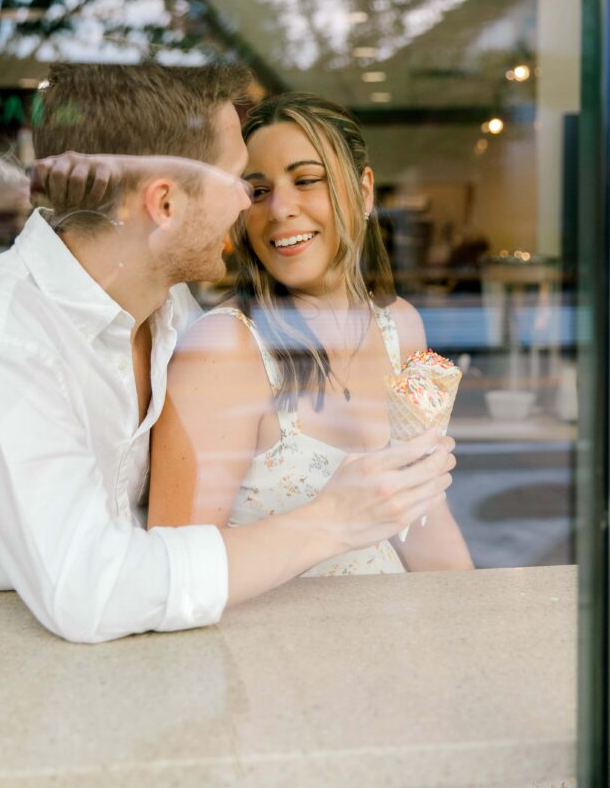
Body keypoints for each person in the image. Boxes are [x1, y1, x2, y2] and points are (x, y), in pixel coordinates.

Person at [0, 65, 456, 643]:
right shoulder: (2, 332)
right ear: (165, 204)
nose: (256, 207)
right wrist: (335, 519)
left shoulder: (166, 305)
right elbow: (89, 591)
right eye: (239, 182)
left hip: (111, 648)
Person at [149, 92, 473, 573]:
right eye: (258, 191)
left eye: (306, 180)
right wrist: (330, 520)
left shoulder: (400, 326)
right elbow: (175, 568)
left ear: (364, 191)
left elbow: (423, 517)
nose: (280, 209)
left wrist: (473, 631)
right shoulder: (225, 349)